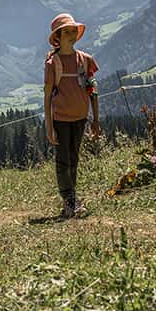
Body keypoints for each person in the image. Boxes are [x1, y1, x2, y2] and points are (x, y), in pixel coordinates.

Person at [43, 13, 101, 219]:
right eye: (66, 31)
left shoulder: (85, 61)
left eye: (73, 31)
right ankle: (70, 201)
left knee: (73, 159)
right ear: (57, 36)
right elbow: (48, 96)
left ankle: (71, 200)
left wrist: (95, 119)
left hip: (80, 118)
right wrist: (49, 127)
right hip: (60, 118)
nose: (71, 35)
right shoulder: (53, 64)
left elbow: (92, 91)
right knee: (63, 161)